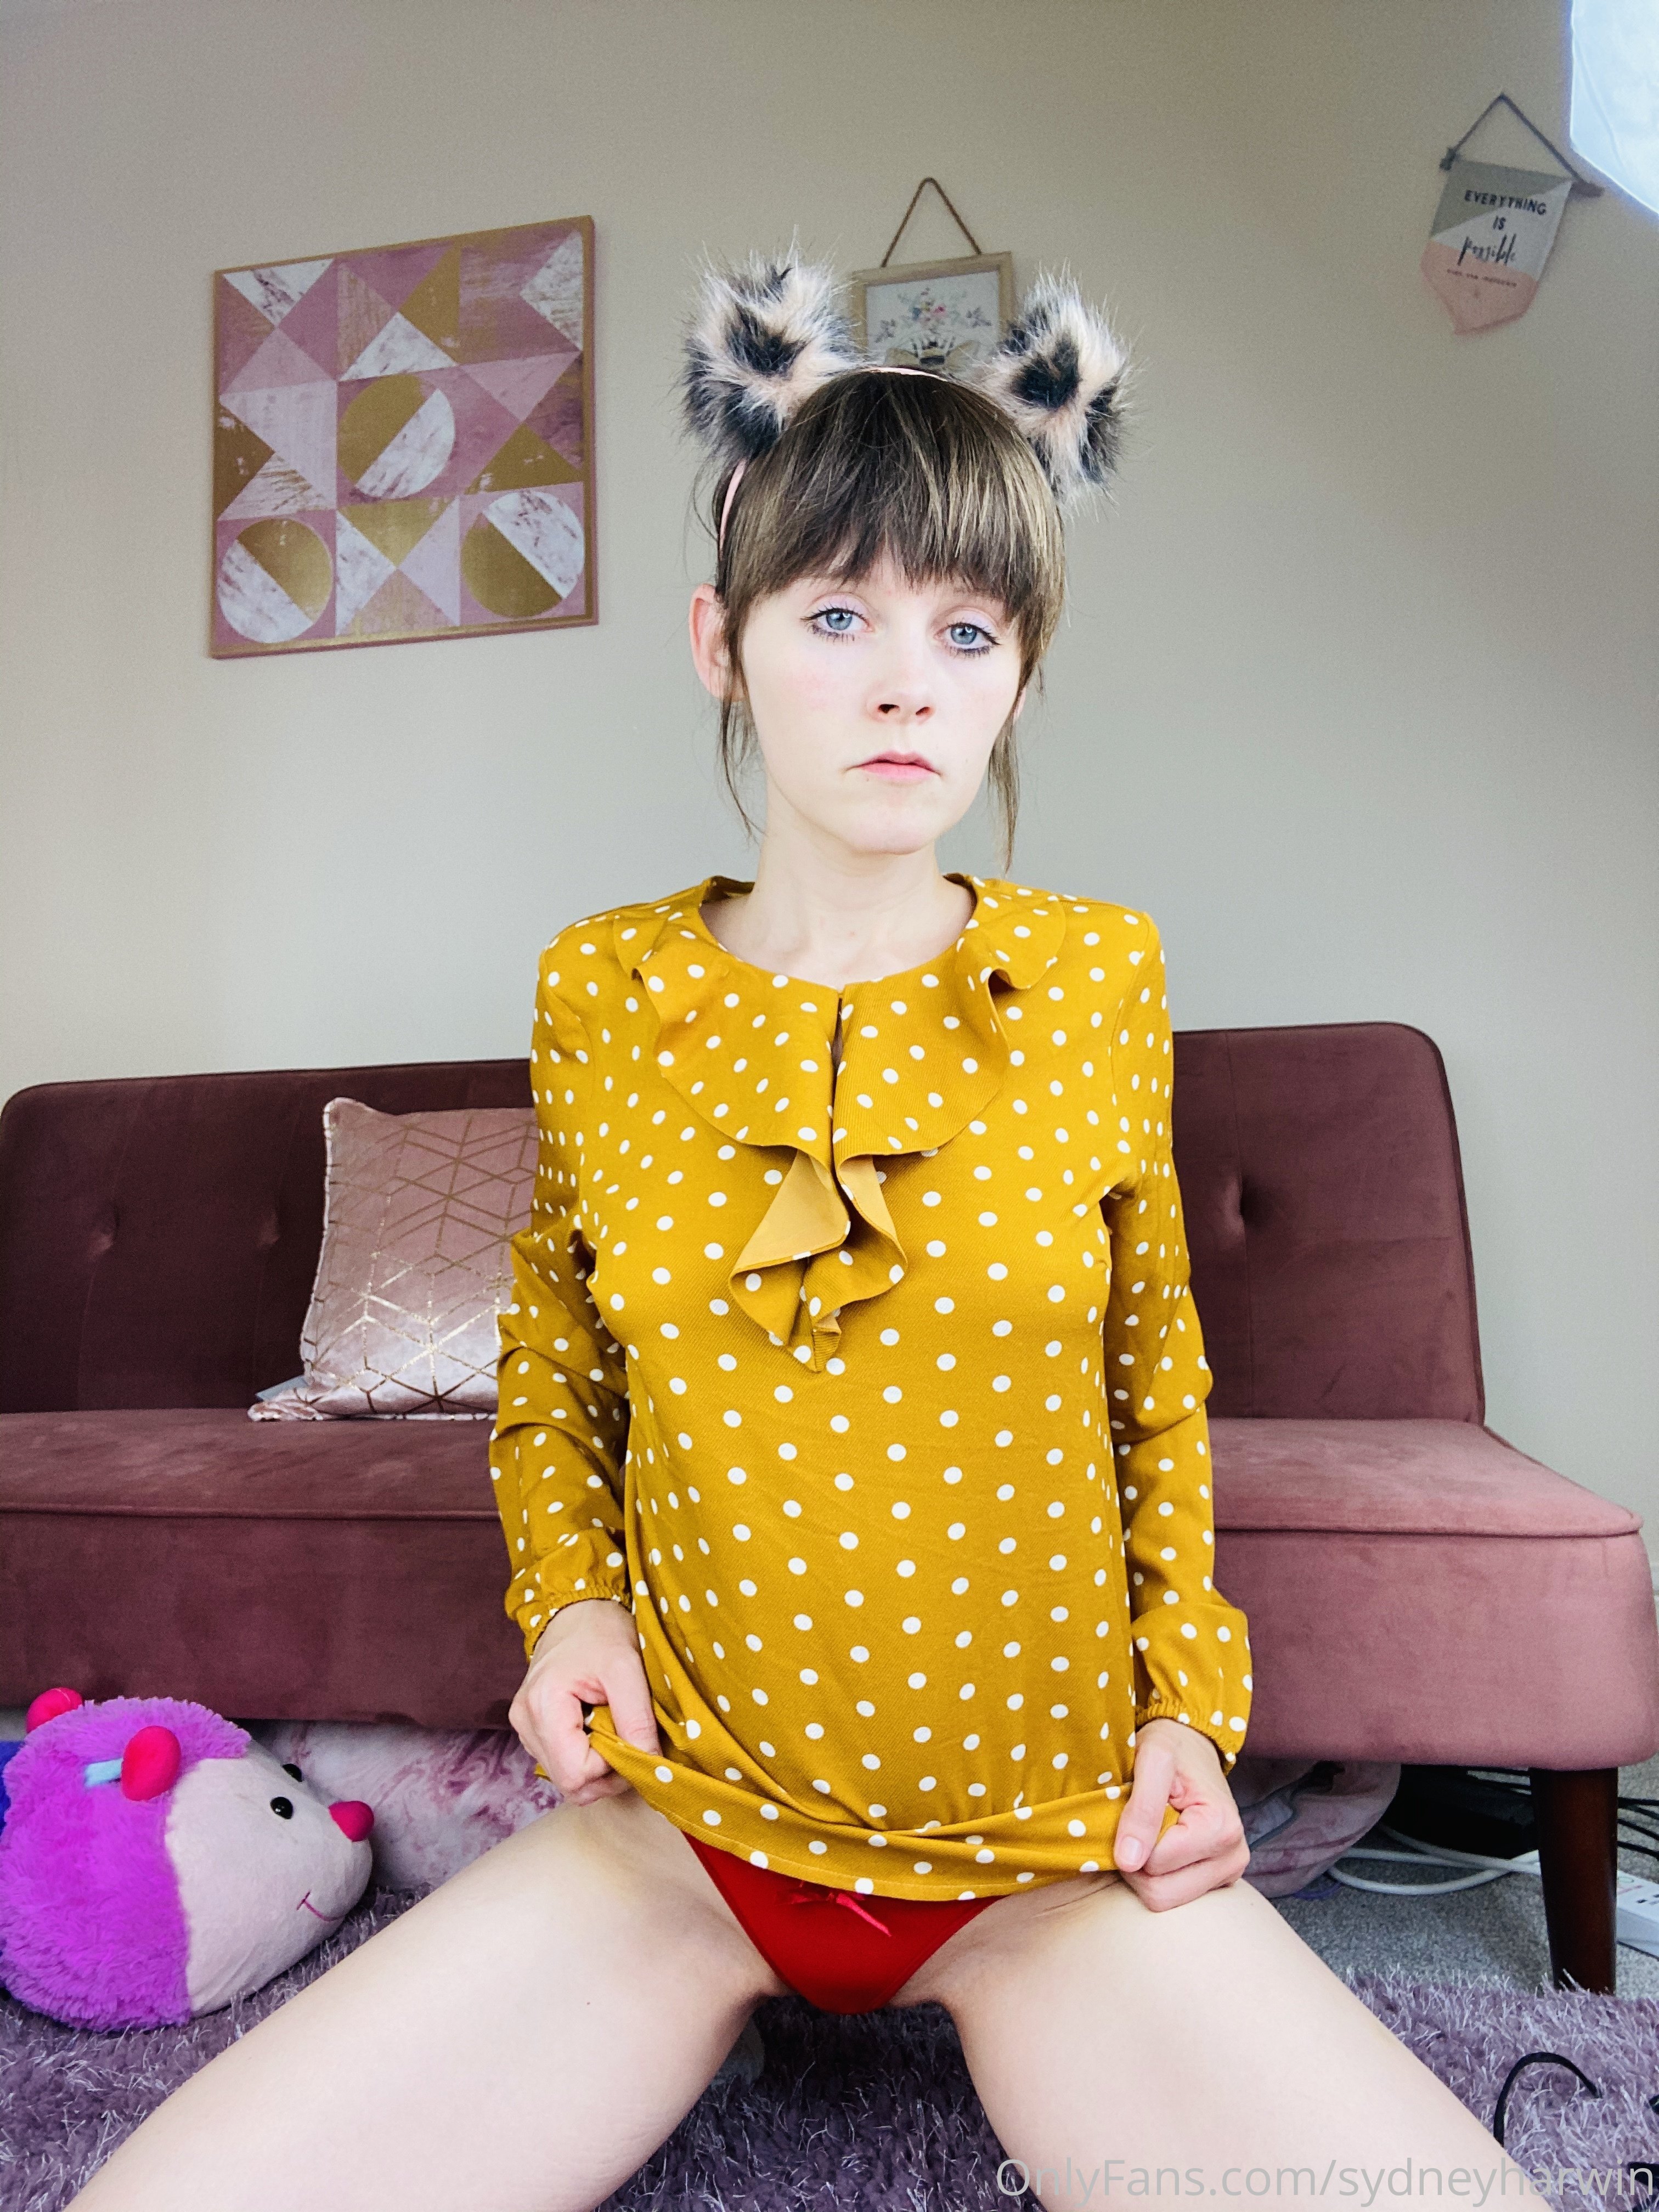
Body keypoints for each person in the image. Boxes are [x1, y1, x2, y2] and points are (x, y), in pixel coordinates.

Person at [71, 258, 1544, 2212]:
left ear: (1023, 673)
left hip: (1050, 1853)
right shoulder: (604, 990)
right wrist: (570, 1607)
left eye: (968, 627)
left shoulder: (1098, 980)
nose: (905, 679)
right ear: (724, 638)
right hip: (683, 1837)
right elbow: (557, 1363)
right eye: (838, 613)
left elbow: (1155, 1385)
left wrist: (1192, 1709)